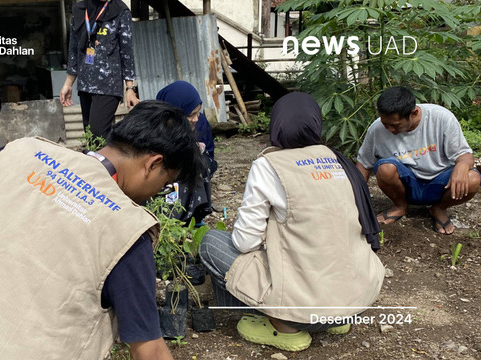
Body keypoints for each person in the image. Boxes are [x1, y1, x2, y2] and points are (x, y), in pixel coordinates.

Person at [0, 101, 203, 360]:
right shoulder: (127, 230)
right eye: (165, 183)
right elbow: (149, 350)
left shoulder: (18, 152)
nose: (158, 192)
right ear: (154, 163)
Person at [199, 92, 385, 352]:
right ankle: (335, 320)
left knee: (211, 242)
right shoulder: (338, 159)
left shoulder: (269, 166)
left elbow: (245, 241)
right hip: (352, 304)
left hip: (302, 313)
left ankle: (281, 326)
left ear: (276, 125)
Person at [356, 86, 480, 234]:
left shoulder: (441, 118)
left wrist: (462, 165)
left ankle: (439, 208)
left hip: (440, 184)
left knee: (473, 178)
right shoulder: (377, 129)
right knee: (385, 168)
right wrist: (355, 199)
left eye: (395, 125)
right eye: (385, 124)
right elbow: (364, 165)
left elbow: (465, 155)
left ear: (413, 113)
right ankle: (400, 206)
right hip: (407, 185)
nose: (389, 129)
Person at [59, 0, 140, 139]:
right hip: (85, 83)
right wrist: (68, 83)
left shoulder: (120, 11)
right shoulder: (80, 10)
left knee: (98, 133)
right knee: (90, 135)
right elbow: (74, 48)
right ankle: (100, 159)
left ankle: (105, 159)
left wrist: (129, 88)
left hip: (108, 84)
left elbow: (126, 51)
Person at [156, 81, 217, 225]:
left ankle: (194, 216)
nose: (196, 118)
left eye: (198, 112)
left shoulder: (200, 123)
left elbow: (210, 157)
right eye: (191, 114)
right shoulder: (154, 130)